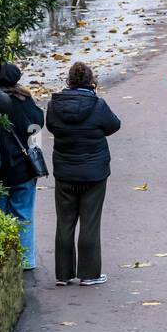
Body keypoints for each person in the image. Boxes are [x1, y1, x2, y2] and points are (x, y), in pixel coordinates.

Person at [46, 61, 121, 287]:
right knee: (90, 222)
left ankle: (63, 274)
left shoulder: (54, 104)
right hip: (94, 173)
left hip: (65, 171)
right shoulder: (97, 105)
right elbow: (114, 125)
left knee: (65, 222)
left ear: (68, 81)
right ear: (91, 81)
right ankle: (89, 274)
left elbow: (51, 127)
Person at [0, 63, 44, 271]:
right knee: (24, 215)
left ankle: (1, 261)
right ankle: (26, 260)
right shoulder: (25, 101)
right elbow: (37, 124)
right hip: (23, 168)